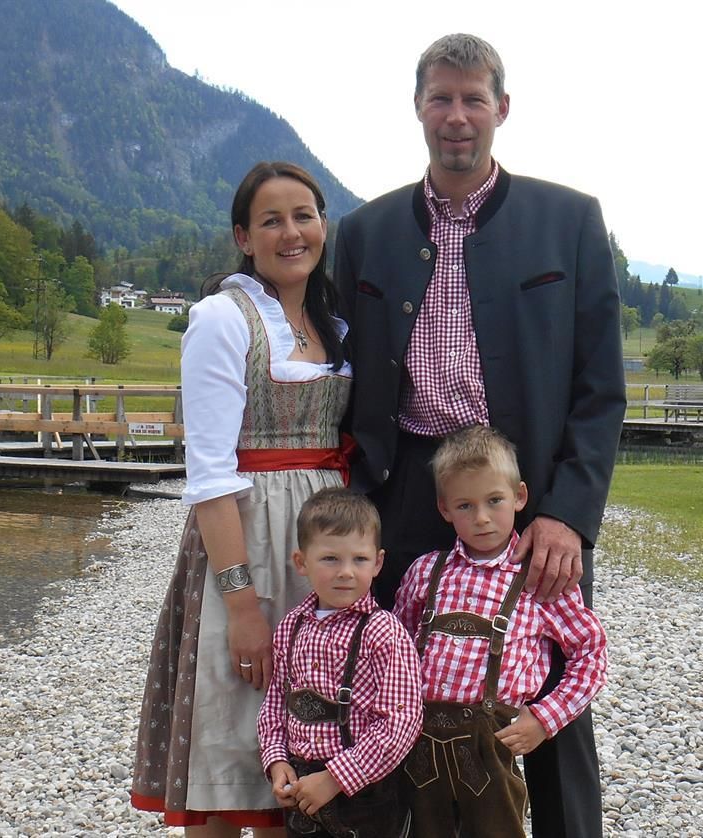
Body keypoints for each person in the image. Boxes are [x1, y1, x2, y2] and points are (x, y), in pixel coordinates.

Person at [333, 32, 626, 837]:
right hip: (406, 492)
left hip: (523, 495)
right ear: (417, 107)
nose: (456, 116)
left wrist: (567, 514)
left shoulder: (568, 220)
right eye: (441, 98)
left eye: (472, 99)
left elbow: (601, 388)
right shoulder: (365, 231)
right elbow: (335, 365)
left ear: (502, 108)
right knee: (393, 687)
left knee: (550, 693)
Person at [131, 161, 353, 837]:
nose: (291, 233)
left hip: (321, 548)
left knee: (308, 751)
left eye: (304, 216)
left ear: (323, 226)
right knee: (230, 741)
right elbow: (209, 475)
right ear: (243, 238)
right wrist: (241, 604)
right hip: (247, 543)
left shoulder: (334, 325)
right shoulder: (222, 320)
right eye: (271, 220)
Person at [392, 425, 607, 838]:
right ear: (444, 509)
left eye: (494, 501)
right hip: (419, 744)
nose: (482, 518)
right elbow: (396, 652)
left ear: (519, 496)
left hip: (491, 746)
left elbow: (591, 652)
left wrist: (544, 718)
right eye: (465, 506)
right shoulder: (426, 572)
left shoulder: (537, 579)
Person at [257, 487, 422, 838]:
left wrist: (335, 778)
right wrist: (277, 760)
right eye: (330, 559)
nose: (346, 572)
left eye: (359, 559)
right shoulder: (291, 627)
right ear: (301, 562)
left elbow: (402, 721)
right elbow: (275, 704)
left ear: (378, 563)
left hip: (364, 791)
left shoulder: (384, 632)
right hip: (302, 787)